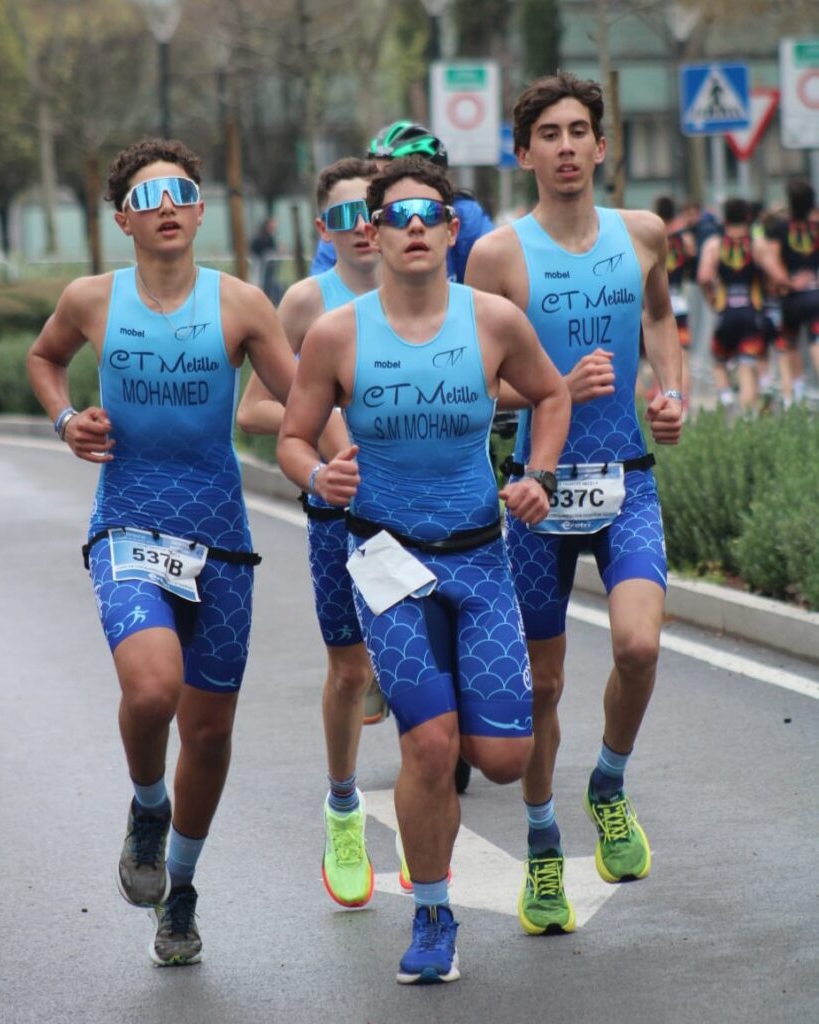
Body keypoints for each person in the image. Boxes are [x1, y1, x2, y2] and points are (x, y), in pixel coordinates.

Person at [277, 157, 571, 983]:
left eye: (429, 214)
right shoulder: (337, 333)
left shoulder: (494, 320)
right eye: (396, 215)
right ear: (370, 233)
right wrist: (316, 475)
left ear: (450, 231)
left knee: (502, 758)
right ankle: (433, 911)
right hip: (385, 561)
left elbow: (550, 397)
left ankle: (446, 854)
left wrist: (536, 477)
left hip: (480, 559)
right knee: (431, 747)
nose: (413, 226)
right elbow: (293, 436)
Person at [26, 138, 296, 966]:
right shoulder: (92, 299)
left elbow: (302, 396)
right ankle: (148, 805)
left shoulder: (243, 304)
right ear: (122, 221)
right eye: (149, 197)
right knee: (153, 691)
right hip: (129, 523)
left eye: (181, 191)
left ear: (201, 208)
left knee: (209, 735)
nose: (167, 205)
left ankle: (178, 889)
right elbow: (44, 359)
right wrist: (66, 418)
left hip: (220, 534)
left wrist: (345, 459)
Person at [466, 71, 684, 938]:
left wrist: (669, 392)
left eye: (577, 131)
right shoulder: (497, 256)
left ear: (601, 145)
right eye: (546, 134)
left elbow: (660, 316)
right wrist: (551, 387)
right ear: (523, 154)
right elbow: (475, 387)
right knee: (544, 684)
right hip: (538, 491)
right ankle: (543, 845)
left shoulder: (642, 234)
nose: (564, 146)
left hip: (626, 473)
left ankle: (609, 783)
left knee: (637, 644)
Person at [236, 157, 386, 910]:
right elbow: (255, 411)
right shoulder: (303, 303)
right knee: (351, 672)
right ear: (323, 229)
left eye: (373, 210)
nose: (362, 226)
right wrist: (326, 441)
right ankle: (342, 807)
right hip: (339, 511)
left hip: (429, 514)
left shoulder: (440, 292)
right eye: (343, 215)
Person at [310, 121, 495, 283]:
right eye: (375, 175)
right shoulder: (349, 223)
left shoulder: (465, 214)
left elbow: (492, 277)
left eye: (394, 175)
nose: (381, 185)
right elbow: (324, 284)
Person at [697, 197, 786, 414]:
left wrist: (712, 300)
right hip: (751, 314)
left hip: (725, 313)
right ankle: (747, 418)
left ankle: (726, 398)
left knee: (718, 361)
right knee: (748, 367)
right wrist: (776, 286)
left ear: (724, 219)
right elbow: (778, 276)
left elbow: (703, 277)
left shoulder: (714, 245)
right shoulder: (757, 245)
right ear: (748, 217)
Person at [764, 178, 819, 398]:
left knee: (790, 342)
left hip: (791, 297)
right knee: (816, 339)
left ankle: (796, 392)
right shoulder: (816, 227)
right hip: (815, 293)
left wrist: (787, 281)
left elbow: (770, 261)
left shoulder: (780, 228)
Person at [653, 195, 696, 412]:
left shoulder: (652, 238)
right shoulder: (684, 239)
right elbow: (692, 257)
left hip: (656, 303)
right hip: (679, 302)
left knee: (656, 357)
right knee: (683, 357)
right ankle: (683, 403)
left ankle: (658, 397)